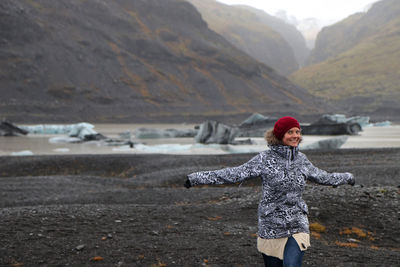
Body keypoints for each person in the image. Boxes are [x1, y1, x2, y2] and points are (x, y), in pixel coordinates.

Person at [184, 116, 355, 267]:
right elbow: (234, 173)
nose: (296, 135)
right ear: (280, 135)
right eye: (290, 132)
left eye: (298, 131)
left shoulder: (302, 160)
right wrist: (197, 178)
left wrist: (347, 177)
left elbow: (323, 177)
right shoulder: (264, 159)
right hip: (271, 225)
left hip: (297, 223)